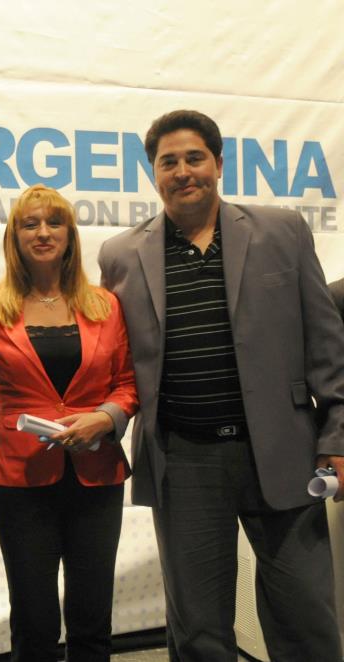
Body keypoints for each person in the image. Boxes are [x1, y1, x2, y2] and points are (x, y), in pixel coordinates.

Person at [98, 109, 344, 662]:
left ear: (218, 163)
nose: (183, 171)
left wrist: (336, 438)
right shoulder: (120, 256)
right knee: (199, 630)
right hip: (183, 460)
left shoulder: (283, 231)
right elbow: (109, 357)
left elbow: (328, 349)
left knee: (306, 619)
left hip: (284, 452)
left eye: (194, 158)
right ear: (152, 173)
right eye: (169, 162)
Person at [0, 184, 137, 662]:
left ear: (70, 235)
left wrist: (103, 419)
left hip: (96, 477)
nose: (43, 232)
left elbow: (127, 383)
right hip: (22, 482)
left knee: (92, 617)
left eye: (54, 222)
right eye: (30, 223)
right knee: (34, 620)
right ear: (14, 237)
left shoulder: (105, 305)